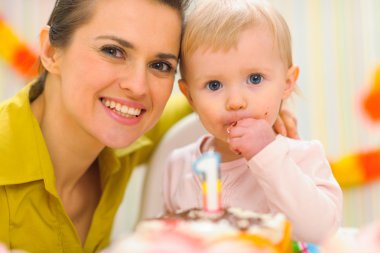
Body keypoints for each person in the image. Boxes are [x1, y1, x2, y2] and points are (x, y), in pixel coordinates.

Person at [0, 0, 298, 252]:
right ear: (51, 52)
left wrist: (258, 110)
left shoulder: (128, 129)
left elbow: (206, 98)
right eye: (113, 51)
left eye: (160, 66)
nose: (138, 87)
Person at [162, 0, 342, 244]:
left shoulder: (303, 157)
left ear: (287, 83)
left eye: (255, 79)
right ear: (190, 96)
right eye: (214, 85)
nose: (235, 101)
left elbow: (320, 233)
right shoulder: (178, 165)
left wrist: (267, 154)